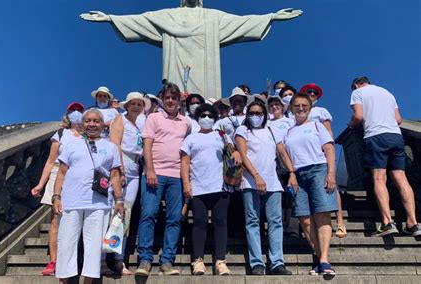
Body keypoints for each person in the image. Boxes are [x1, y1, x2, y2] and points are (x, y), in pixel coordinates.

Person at [80, 1, 302, 100]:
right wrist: (111, 18)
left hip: (207, 71)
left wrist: (271, 17)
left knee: (207, 99)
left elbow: (241, 22)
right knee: (177, 92)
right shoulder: (167, 16)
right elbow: (142, 20)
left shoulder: (213, 17)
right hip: (176, 66)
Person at [52, 109, 125, 283]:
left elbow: (114, 176)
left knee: (93, 247)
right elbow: (61, 173)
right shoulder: (71, 145)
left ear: (102, 124)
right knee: (67, 244)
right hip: (71, 201)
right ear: (83, 124)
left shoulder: (111, 147)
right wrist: (56, 196)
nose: (92, 124)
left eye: (96, 121)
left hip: (99, 204)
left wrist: (119, 200)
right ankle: (64, 281)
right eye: (88, 121)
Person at [348, 76, 420, 236]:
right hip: (395, 136)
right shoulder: (387, 93)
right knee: (401, 178)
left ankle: (387, 223)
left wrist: (351, 124)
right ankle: (412, 223)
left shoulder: (358, 93)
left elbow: (358, 116)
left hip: (376, 136)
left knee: (379, 178)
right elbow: (399, 119)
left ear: (356, 85)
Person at [135, 82, 191, 276]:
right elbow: (147, 145)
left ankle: (167, 261)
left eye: (174, 98)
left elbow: (188, 150)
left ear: (179, 100)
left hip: (177, 176)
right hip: (155, 173)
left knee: (174, 219)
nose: (170, 101)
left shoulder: (186, 122)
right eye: (167, 97)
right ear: (162, 99)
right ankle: (145, 259)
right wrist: (150, 170)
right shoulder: (153, 117)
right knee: (148, 214)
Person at [235, 100, 297, 275]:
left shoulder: (272, 129)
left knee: (275, 222)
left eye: (259, 113)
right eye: (252, 113)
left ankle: (277, 261)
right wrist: (256, 176)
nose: (255, 116)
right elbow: (243, 155)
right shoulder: (242, 130)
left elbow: (282, 152)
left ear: (265, 114)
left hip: (273, 181)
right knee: (252, 221)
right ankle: (257, 263)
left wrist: (292, 172)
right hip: (249, 181)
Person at [181, 104, 239, 275]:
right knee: (199, 223)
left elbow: (233, 151)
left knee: (220, 223)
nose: (206, 118)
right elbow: (184, 162)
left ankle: (220, 260)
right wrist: (186, 184)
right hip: (198, 186)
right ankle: (198, 260)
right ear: (197, 118)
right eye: (203, 115)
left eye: (210, 115)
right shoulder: (190, 138)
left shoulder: (221, 135)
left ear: (215, 119)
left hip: (220, 185)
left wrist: (236, 153)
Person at [283, 93, 338, 276]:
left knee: (321, 213)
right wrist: (292, 174)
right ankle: (319, 257)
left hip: (318, 169)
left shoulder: (317, 125)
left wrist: (331, 174)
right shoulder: (289, 132)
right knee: (304, 218)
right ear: (291, 108)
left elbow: (329, 149)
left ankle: (324, 259)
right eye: (296, 105)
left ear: (309, 108)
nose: (300, 108)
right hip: (299, 174)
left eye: (304, 105)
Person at [30, 102, 84, 276]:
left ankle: (72, 258)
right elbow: (50, 161)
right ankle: (53, 260)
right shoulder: (60, 134)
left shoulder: (87, 135)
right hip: (58, 176)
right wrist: (40, 184)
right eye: (73, 111)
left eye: (79, 111)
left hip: (78, 179)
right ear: (67, 114)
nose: (76, 113)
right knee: (56, 220)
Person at [108, 92, 151, 275]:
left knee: (125, 213)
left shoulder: (140, 124)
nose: (135, 107)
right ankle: (106, 258)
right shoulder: (120, 119)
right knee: (114, 212)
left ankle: (119, 257)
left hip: (136, 168)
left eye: (139, 104)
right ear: (127, 106)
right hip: (122, 166)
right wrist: (120, 169)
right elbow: (114, 143)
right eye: (132, 104)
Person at [300, 83, 346, 238]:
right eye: (308, 92)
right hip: (307, 157)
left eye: (314, 93)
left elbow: (328, 132)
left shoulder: (321, 111)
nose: (312, 94)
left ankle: (340, 222)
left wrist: (329, 153)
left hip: (322, 154)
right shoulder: (298, 113)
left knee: (331, 187)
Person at [267, 96, 298, 237]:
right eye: (272, 105)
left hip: (290, 158)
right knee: (277, 197)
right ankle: (279, 229)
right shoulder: (266, 123)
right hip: (273, 161)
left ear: (283, 107)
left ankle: (292, 229)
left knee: (292, 196)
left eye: (277, 104)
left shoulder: (290, 121)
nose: (274, 107)